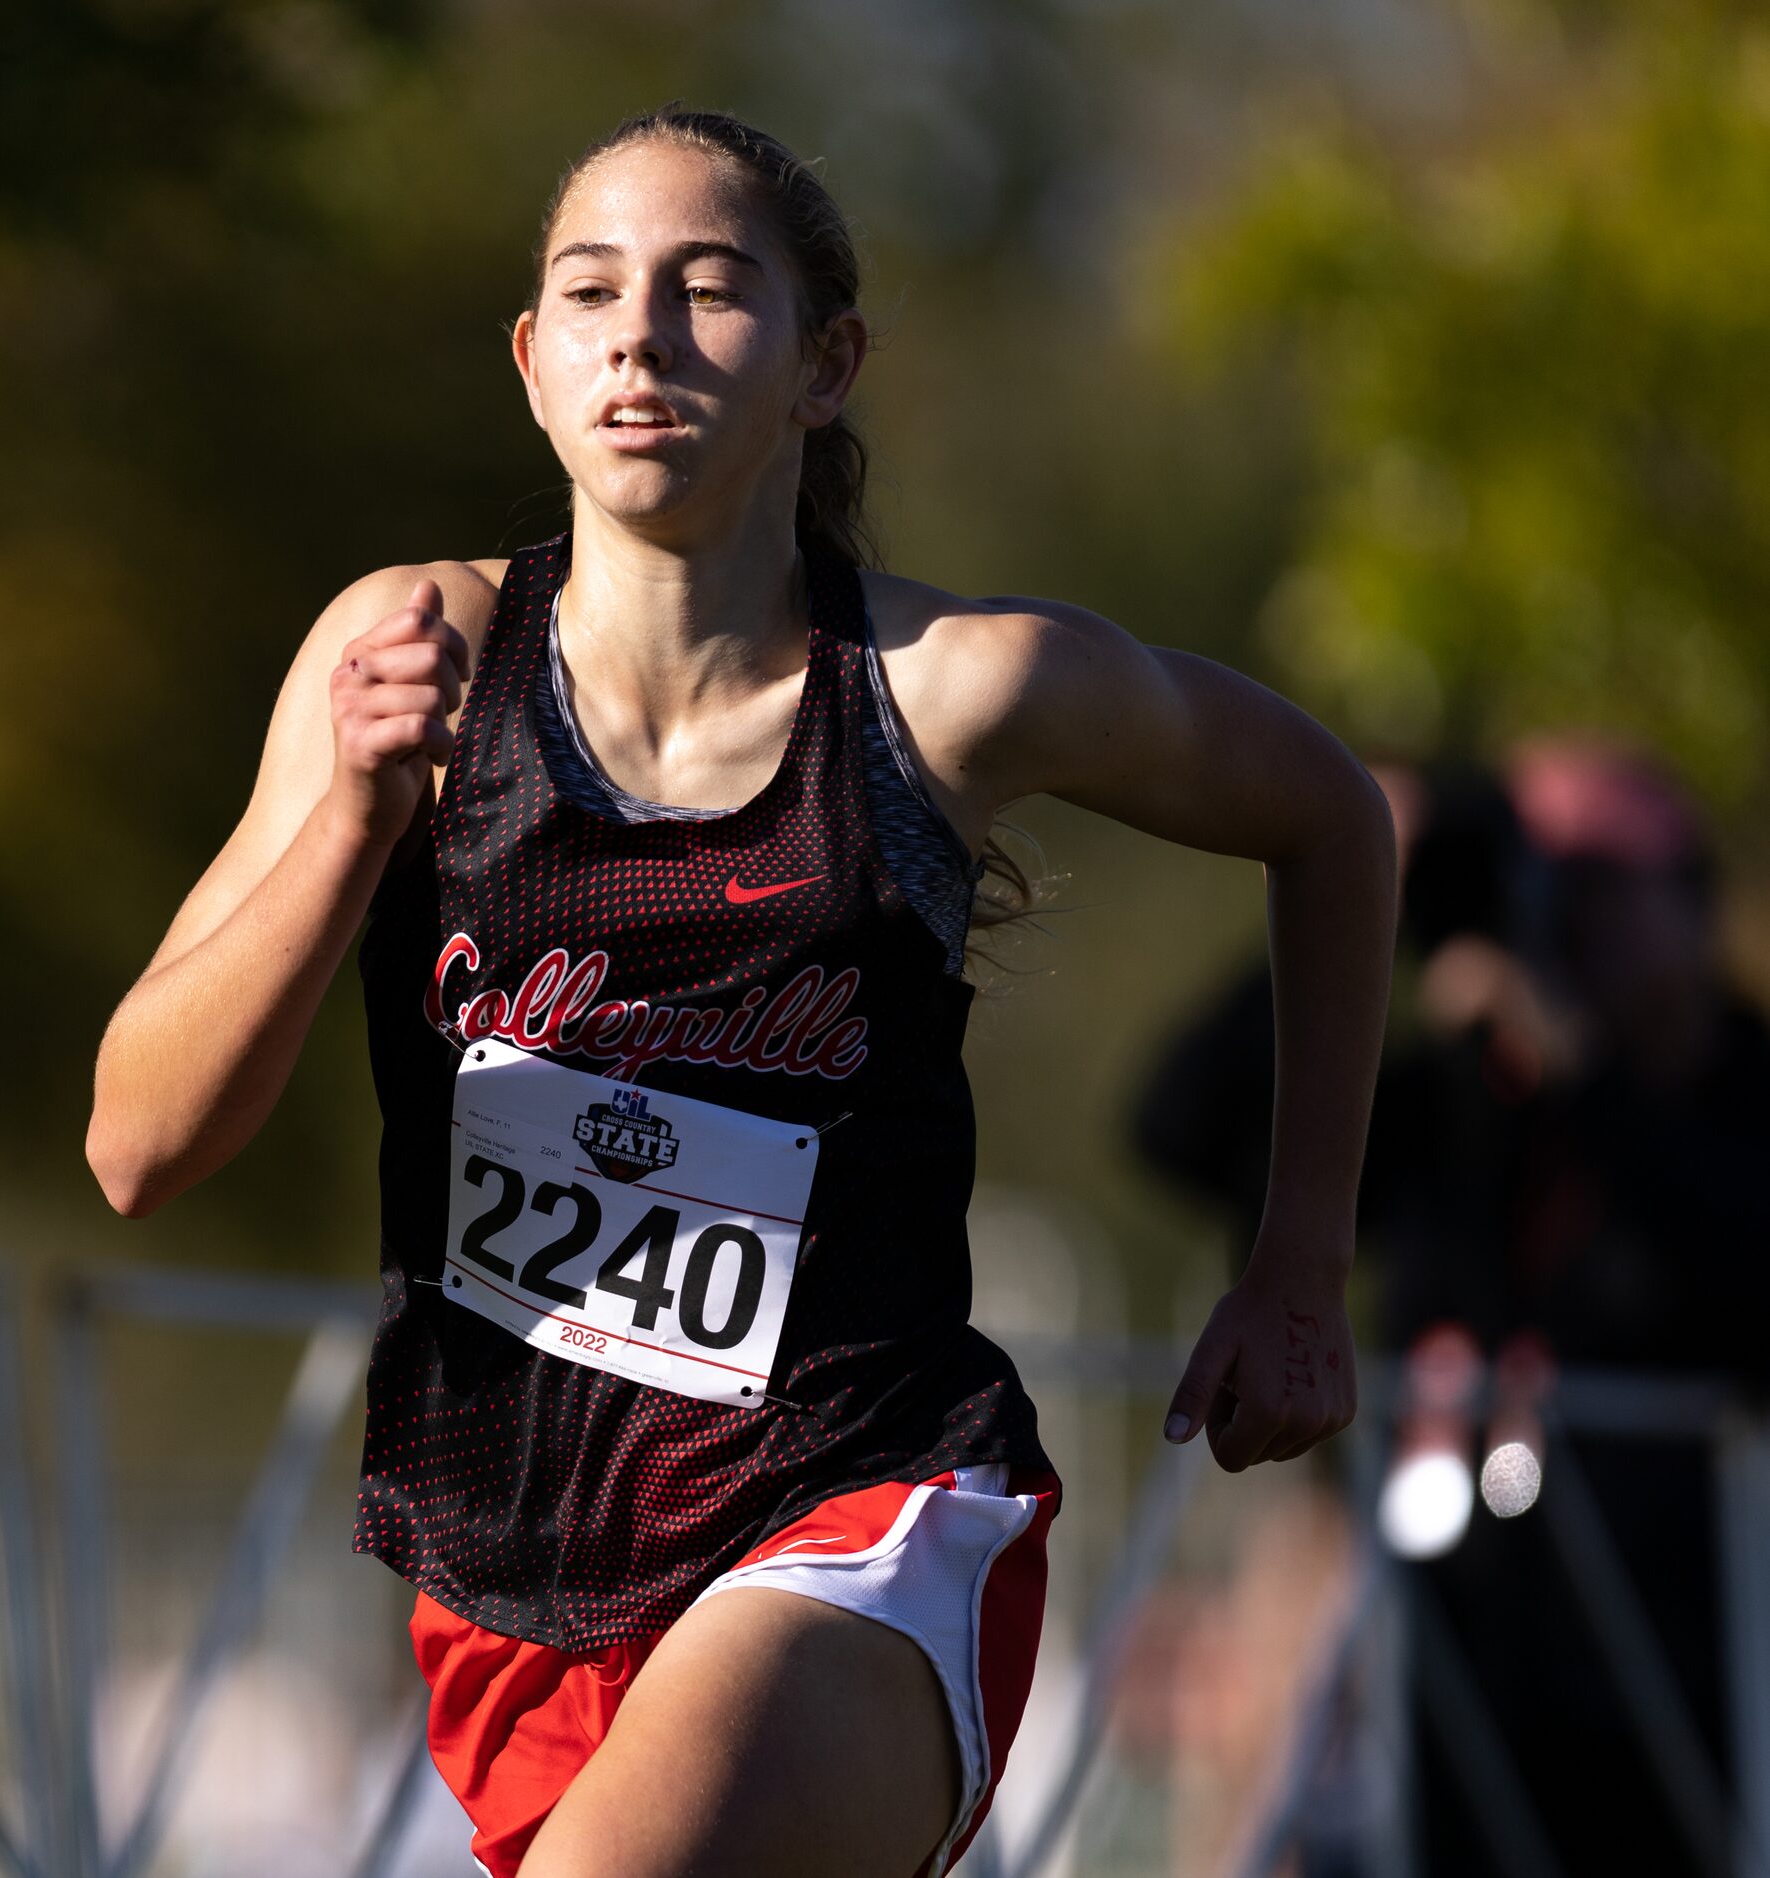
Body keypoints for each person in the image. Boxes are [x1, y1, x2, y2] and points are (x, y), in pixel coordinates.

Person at [85, 105, 1392, 1878]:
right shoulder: (412, 655)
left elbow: (1328, 814)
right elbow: (136, 1143)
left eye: (711, 290)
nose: (644, 333)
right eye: (594, 292)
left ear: (824, 362)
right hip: (523, 1576)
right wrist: (350, 825)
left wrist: (1301, 1260)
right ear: (537, 367)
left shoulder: (952, 691)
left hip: (857, 1518)